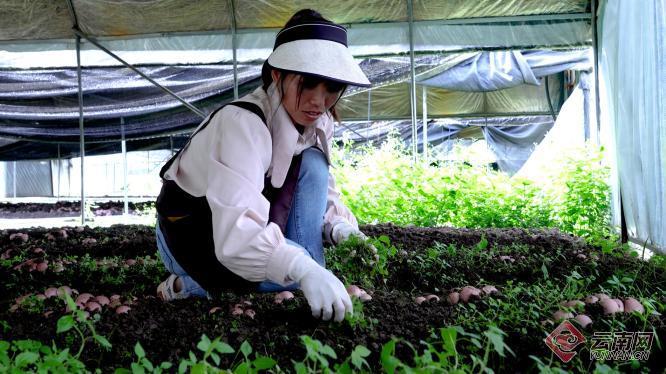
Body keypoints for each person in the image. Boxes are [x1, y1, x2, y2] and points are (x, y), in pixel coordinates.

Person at [154, 9, 373, 322]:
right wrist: (303, 269)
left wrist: (340, 228)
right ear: (277, 75)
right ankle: (186, 285)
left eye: (331, 89)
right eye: (308, 84)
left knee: (313, 161)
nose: (318, 101)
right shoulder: (242, 125)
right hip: (191, 233)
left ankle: (311, 268)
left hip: (239, 225)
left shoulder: (318, 122)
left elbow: (319, 190)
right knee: (283, 271)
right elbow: (235, 237)